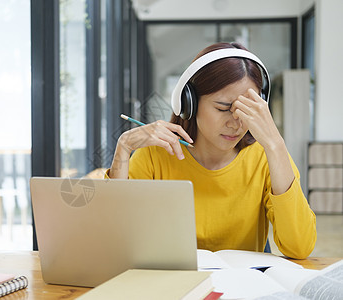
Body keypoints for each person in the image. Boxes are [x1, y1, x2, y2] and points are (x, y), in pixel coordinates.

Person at [107, 42, 316, 259]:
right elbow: (117, 241)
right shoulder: (154, 155)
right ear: (190, 103)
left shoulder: (266, 158)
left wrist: (275, 144)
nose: (236, 123)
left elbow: (299, 247)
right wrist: (123, 148)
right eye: (223, 108)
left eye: (247, 110)